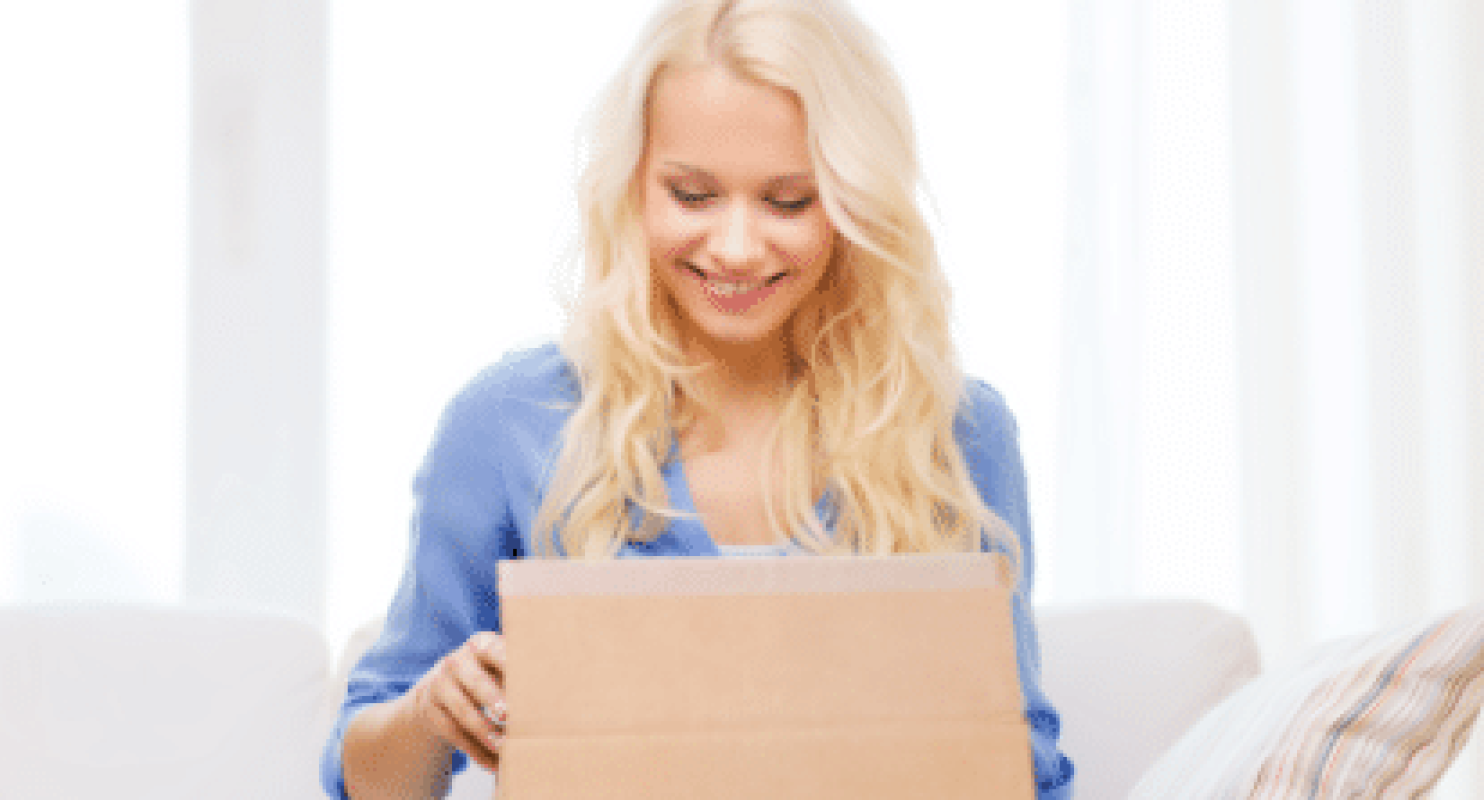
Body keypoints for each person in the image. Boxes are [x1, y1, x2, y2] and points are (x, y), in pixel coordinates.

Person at [321, 0, 1075, 797]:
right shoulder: (509, 425)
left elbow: (1023, 769)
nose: (738, 248)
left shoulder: (957, 435)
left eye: (789, 201)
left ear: (854, 203)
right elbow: (364, 777)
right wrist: (433, 712)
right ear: (632, 186)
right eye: (692, 195)